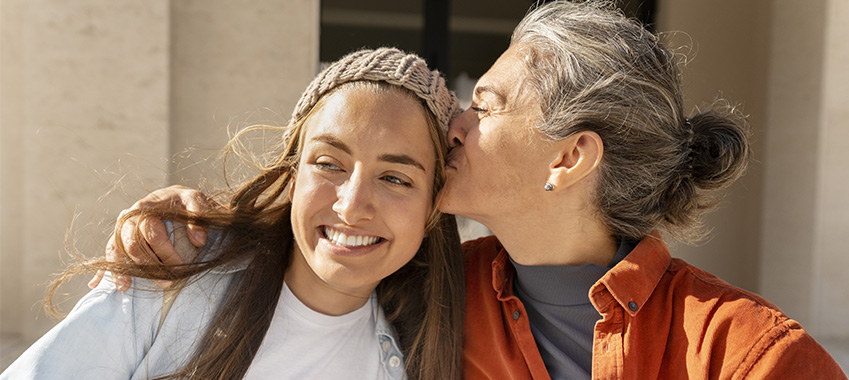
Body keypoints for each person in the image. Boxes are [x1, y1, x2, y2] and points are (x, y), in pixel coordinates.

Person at [90, 1, 847, 379]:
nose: (450, 119)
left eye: (485, 105)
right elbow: (324, 237)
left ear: (569, 158)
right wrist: (193, 230)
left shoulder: (743, 356)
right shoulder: (426, 291)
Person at [1, 47, 466, 380]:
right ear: (291, 173)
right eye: (328, 164)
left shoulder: (418, 356)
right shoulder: (174, 270)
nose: (351, 205)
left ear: (432, 207)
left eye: (396, 179)